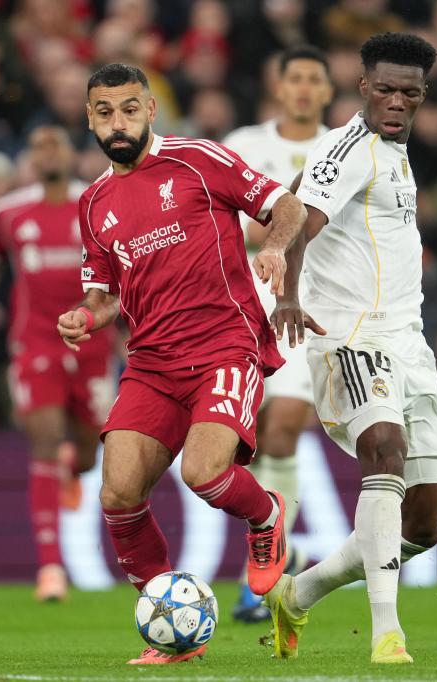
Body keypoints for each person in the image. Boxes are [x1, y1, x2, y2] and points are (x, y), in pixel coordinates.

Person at [56, 64, 307, 665]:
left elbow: (287, 206)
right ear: (89, 119)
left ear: (150, 110)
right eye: (104, 112)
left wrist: (274, 249)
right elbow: (104, 294)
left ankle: (266, 514)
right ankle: (173, 630)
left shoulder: (198, 160)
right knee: (118, 493)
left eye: (129, 109)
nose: (118, 123)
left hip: (224, 345)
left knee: (203, 472)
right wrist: (84, 317)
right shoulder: (93, 203)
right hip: (151, 363)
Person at [263, 32, 437, 665]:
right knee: (384, 449)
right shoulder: (346, 148)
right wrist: (288, 292)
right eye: (385, 89)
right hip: (349, 335)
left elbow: (304, 199)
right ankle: (387, 634)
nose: (396, 102)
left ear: (423, 95)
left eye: (409, 93)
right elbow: (298, 219)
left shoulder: (393, 152)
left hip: (409, 343)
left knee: (421, 528)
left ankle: (300, 591)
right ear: (363, 87)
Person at [0, 126, 117, 602]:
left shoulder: (97, 203)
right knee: (45, 441)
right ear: (30, 158)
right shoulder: (8, 212)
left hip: (92, 345)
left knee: (88, 453)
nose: (48, 153)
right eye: (39, 147)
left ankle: (72, 469)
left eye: (56, 145)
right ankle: (50, 568)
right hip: (36, 344)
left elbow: (123, 272)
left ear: (72, 154)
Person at [221, 44, 333, 624]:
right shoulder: (244, 144)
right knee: (248, 442)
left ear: (329, 91)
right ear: (279, 86)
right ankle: (276, 549)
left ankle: (262, 569)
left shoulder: (339, 148)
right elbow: (218, 220)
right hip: (241, 307)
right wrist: (281, 228)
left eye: (315, 79)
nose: (305, 88)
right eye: (296, 78)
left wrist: (274, 227)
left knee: (285, 427)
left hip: (307, 307)